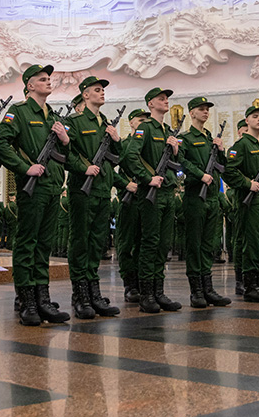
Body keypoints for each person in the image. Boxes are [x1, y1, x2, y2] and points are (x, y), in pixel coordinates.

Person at [0, 64, 72, 326]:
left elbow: (67, 157)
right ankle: (27, 299)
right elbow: (1, 144)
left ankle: (42, 297)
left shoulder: (52, 116)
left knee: (44, 245)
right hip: (33, 187)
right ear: (29, 85)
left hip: (52, 186)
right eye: (42, 79)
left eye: (50, 78)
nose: (48, 81)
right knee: (27, 243)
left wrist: (64, 140)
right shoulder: (18, 111)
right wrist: (23, 167)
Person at [63, 76, 124, 319]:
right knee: (80, 243)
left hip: (102, 191)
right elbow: (65, 153)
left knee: (97, 243)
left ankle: (94, 292)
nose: (102, 93)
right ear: (85, 95)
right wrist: (83, 167)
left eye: (103, 90)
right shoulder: (74, 121)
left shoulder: (105, 123)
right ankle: (80, 295)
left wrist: (117, 140)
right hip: (82, 190)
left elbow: (117, 158)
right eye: (97, 90)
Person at [122, 88, 183, 313]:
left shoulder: (167, 130)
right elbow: (130, 156)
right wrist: (148, 178)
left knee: (163, 244)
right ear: (150, 104)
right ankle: (146, 293)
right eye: (161, 99)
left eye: (167, 99)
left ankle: (159, 291)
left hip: (168, 192)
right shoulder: (145, 128)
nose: (165, 101)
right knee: (150, 242)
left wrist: (176, 150)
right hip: (152, 194)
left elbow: (180, 163)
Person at [178, 97, 233, 308]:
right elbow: (181, 162)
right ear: (191, 113)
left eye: (207, 109)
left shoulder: (210, 138)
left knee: (208, 244)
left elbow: (223, 166)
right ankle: (197, 291)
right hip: (195, 196)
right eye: (201, 109)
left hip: (212, 197)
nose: (205, 112)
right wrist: (199, 174)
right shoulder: (186, 138)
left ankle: (208, 288)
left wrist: (221, 150)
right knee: (195, 244)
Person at [225, 106, 259, 302]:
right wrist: (247, 183)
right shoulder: (240, 146)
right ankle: (250, 286)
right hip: (250, 203)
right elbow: (229, 171)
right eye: (255, 117)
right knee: (252, 244)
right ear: (246, 121)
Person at [115, 109, 149, 302]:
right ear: (131, 123)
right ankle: (130, 283)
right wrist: (125, 185)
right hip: (130, 199)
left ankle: (144, 282)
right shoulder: (125, 145)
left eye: (146, 120)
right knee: (128, 243)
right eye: (140, 120)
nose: (144, 123)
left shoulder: (151, 145)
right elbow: (109, 169)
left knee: (145, 243)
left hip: (149, 200)